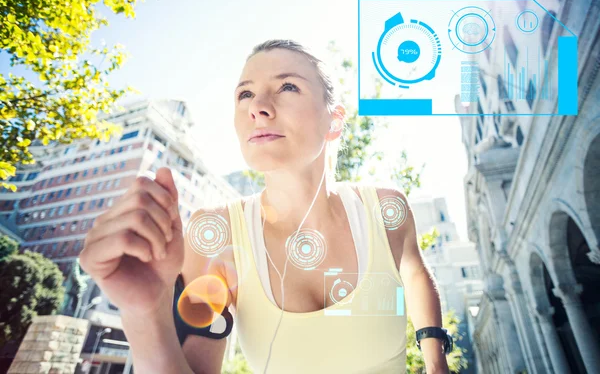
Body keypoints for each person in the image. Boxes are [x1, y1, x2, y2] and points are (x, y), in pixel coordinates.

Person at [80, 39, 450, 374]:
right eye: (245, 94)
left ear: (334, 121)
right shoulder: (217, 238)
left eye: (288, 87)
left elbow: (414, 273)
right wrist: (146, 315)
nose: (258, 107)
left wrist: (436, 358)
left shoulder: (384, 209)